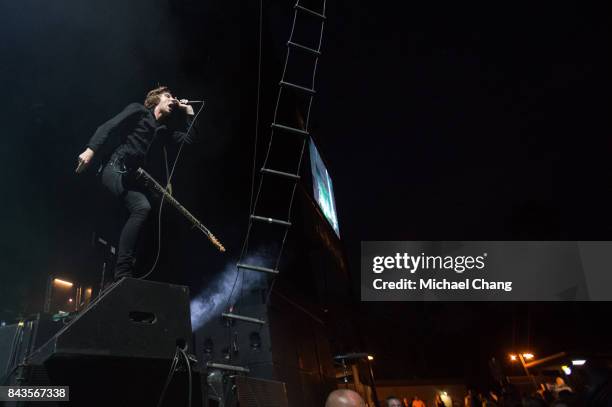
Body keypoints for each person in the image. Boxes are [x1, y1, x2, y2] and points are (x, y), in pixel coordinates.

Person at [76, 86, 195, 281]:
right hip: (114, 168)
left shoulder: (163, 130)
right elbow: (108, 126)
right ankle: (122, 269)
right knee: (141, 207)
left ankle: (124, 272)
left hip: (130, 177)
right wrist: (90, 150)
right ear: (155, 100)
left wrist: (189, 114)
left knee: (143, 208)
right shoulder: (138, 110)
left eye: (174, 97)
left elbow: (188, 140)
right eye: (168, 96)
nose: (173, 100)